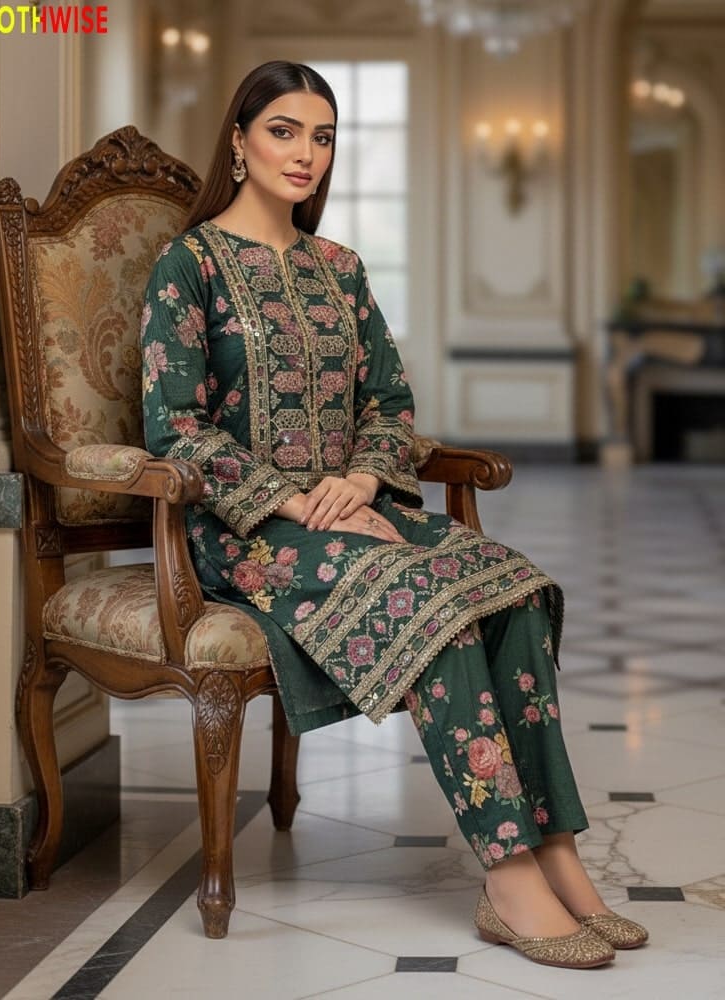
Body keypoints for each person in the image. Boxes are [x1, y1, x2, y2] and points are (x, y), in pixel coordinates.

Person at [141, 60, 648, 968]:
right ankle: (506, 875)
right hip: (251, 532)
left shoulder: (341, 268)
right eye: (285, 130)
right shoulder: (190, 265)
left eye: (324, 136)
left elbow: (390, 403)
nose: (306, 153)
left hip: (354, 509)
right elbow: (173, 425)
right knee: (433, 609)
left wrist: (366, 484)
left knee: (517, 591)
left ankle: (557, 847)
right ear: (240, 141)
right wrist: (299, 500)